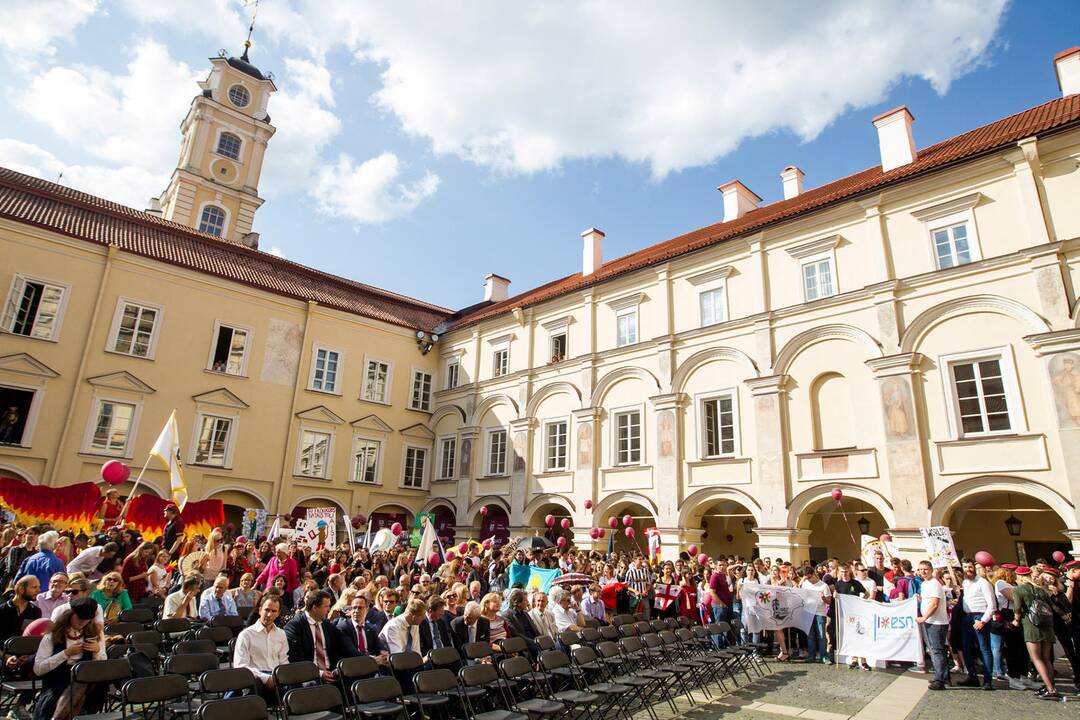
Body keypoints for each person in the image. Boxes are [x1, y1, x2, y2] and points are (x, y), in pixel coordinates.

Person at [32, 598, 105, 720]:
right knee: (79, 692)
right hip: (58, 680)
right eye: (79, 618)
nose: (82, 622)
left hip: (88, 681)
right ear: (71, 614)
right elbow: (38, 669)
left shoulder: (95, 633)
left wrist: (97, 652)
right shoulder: (53, 635)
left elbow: (102, 666)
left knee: (81, 682)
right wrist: (65, 654)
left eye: (87, 619)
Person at [284, 590, 355, 682]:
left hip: (332, 672)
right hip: (309, 676)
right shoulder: (295, 626)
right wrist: (319, 673)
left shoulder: (326, 624)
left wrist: (367, 658)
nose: (329, 609)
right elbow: (296, 659)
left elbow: (345, 643)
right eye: (326, 606)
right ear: (314, 608)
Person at [233, 594, 290, 703]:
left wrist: (280, 677)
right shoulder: (246, 635)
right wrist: (265, 678)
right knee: (254, 684)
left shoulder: (281, 634)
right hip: (255, 680)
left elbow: (284, 661)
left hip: (277, 679)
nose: (269, 614)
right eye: (266, 610)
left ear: (278, 613)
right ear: (260, 610)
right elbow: (240, 666)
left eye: (273, 611)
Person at [1012, 566, 1059, 699]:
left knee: (1036, 658)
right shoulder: (1041, 590)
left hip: (1031, 626)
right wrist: (1065, 615)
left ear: (1020, 577)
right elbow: (1053, 606)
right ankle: (1051, 686)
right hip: (1047, 626)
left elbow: (1017, 608)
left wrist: (1016, 620)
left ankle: (1050, 690)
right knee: (1046, 659)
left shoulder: (1018, 589)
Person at [959, 558, 996, 690]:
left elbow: (992, 605)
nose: (968, 570)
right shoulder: (965, 582)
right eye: (965, 567)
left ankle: (987, 680)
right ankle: (972, 676)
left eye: (970, 567)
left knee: (984, 648)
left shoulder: (983, 582)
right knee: (966, 648)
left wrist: (983, 620)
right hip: (967, 618)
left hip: (979, 616)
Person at [915, 561, 950, 690]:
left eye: (925, 569)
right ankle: (944, 677)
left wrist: (924, 617)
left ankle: (939, 680)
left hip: (937, 622)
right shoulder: (925, 584)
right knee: (938, 650)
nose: (923, 571)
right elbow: (928, 600)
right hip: (931, 622)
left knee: (936, 651)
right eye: (920, 569)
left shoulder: (935, 584)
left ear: (931, 570)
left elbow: (935, 604)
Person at [334, 594, 385, 665]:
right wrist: (372, 659)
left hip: (370, 666)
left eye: (360, 608)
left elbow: (379, 646)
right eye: (354, 608)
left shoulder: (370, 628)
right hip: (353, 666)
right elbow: (351, 652)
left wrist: (384, 655)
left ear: (367, 609)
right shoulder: (343, 627)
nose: (356, 611)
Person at [0, 575, 41, 642]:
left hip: (25, 651)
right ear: (21, 589)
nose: (39, 590)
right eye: (34, 587)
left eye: (39, 587)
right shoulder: (2, 610)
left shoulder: (36, 612)